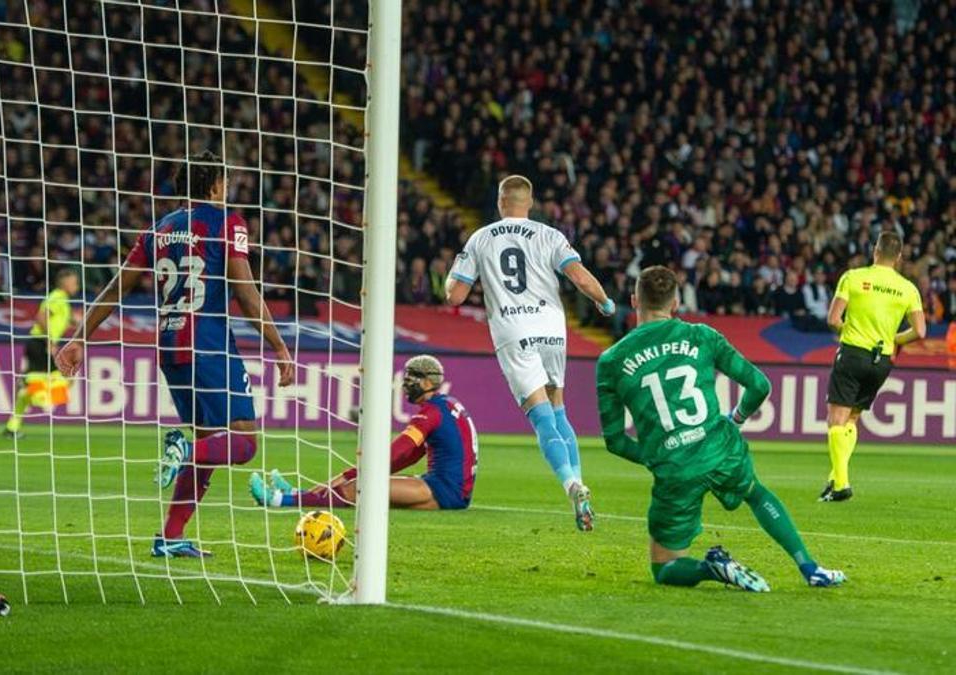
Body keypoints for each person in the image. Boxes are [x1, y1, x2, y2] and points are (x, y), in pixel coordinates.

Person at [56, 150, 293, 558]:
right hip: (211, 344)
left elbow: (117, 288)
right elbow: (246, 292)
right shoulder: (228, 222)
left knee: (208, 445)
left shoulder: (159, 230)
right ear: (217, 184)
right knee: (243, 443)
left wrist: (79, 338)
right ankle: (181, 449)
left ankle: (170, 536)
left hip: (170, 347)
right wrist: (279, 345)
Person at [596, 266, 846, 591]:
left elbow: (615, 441)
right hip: (718, 446)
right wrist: (736, 419)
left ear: (634, 301)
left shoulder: (611, 360)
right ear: (675, 304)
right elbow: (759, 385)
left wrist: (657, 455)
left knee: (665, 567)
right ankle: (810, 567)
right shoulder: (702, 336)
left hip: (674, 468)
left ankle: (710, 568)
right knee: (756, 494)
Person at [444, 174, 614, 531]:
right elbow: (580, 277)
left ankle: (571, 484)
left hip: (513, 330)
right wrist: (605, 303)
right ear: (530, 203)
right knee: (559, 409)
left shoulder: (480, 238)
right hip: (552, 328)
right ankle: (580, 486)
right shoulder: (550, 235)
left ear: (500, 202)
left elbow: (455, 295)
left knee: (541, 418)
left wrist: (451, 279)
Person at [248, 355, 477, 510]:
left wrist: (353, 474)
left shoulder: (430, 414)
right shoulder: (445, 405)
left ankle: (278, 500)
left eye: (411, 379)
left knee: (358, 490)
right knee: (367, 497)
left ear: (427, 382)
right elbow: (410, 456)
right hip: (452, 490)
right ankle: (298, 493)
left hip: (442, 489)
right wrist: (359, 473)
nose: (406, 384)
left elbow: (398, 451)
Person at [820, 231, 926, 502]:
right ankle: (835, 477)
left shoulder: (853, 277)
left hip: (853, 353)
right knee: (852, 418)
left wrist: (852, 330)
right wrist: (893, 338)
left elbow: (833, 319)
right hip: (882, 361)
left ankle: (841, 484)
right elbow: (920, 331)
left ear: (875, 251)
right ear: (899, 257)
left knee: (836, 420)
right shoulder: (908, 288)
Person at [3, 267, 79, 438]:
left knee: (44, 384)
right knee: (63, 379)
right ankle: (26, 385)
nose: (77, 286)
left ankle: (12, 426)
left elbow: (65, 319)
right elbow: (41, 316)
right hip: (41, 343)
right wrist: (49, 340)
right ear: (65, 283)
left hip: (40, 342)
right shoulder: (57, 297)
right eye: (74, 282)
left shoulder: (62, 301)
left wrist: (75, 320)